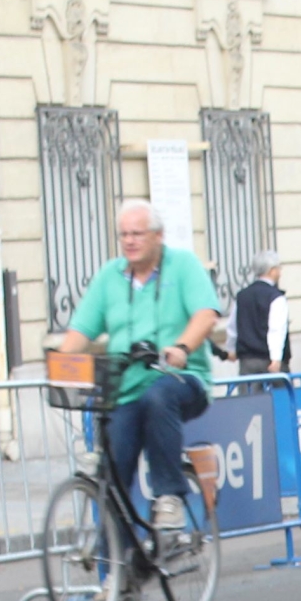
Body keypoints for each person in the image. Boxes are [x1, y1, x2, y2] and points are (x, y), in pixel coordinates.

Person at [55, 199, 220, 540]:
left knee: (159, 398)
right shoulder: (110, 276)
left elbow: (206, 315)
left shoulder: (183, 266)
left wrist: (182, 348)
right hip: (126, 389)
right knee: (113, 472)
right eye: (124, 235)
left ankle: (170, 496)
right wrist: (58, 366)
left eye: (137, 234)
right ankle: (120, 573)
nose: (129, 241)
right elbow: (80, 331)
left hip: (179, 379)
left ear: (158, 236)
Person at [230, 252, 290, 378]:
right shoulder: (276, 297)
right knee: (279, 397)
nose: (280, 272)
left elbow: (233, 326)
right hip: (269, 360)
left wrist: (231, 349)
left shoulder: (241, 296)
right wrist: (276, 358)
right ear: (271, 270)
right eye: (278, 268)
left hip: (248, 361)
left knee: (249, 397)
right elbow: (276, 328)